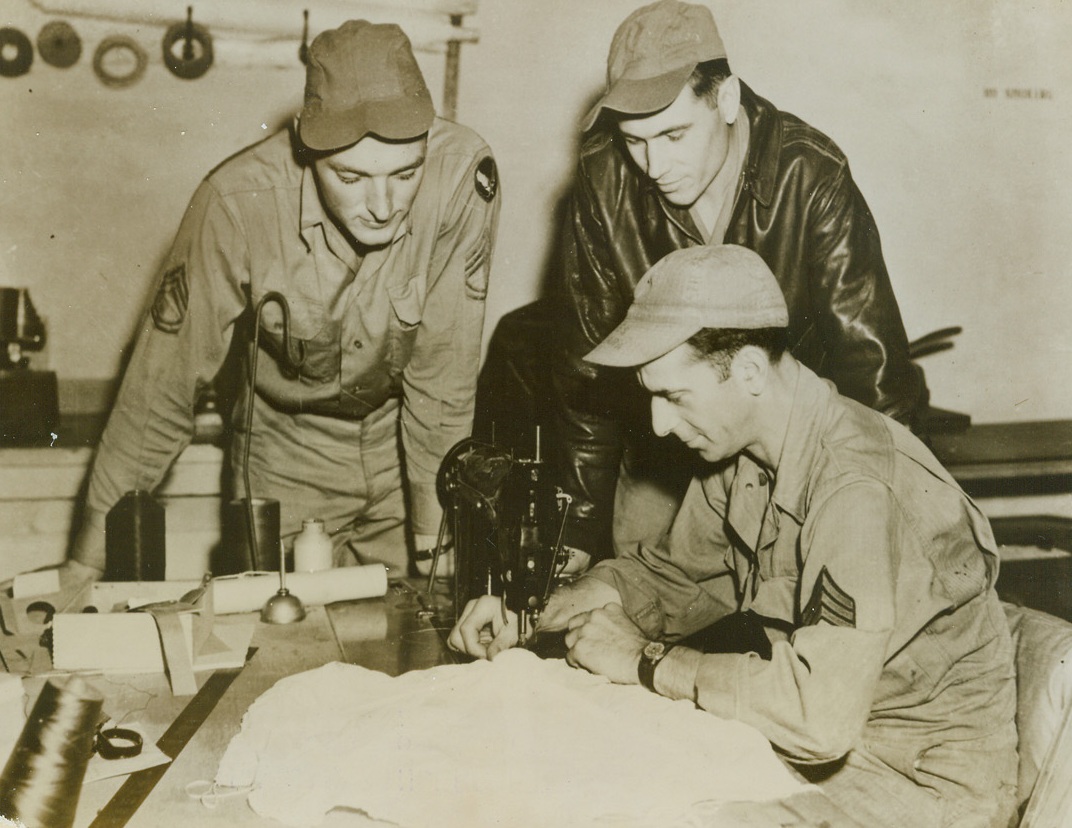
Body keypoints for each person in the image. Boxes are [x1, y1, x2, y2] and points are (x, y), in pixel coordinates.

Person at [453, 246, 1017, 828]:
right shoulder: (742, 454)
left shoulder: (854, 488)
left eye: (673, 396)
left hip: (919, 785)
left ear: (748, 370)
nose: (658, 424)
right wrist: (539, 608)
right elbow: (675, 576)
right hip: (830, 751)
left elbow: (817, 719)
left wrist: (645, 660)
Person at [66, 20, 500, 579]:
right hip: (285, 452)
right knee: (283, 641)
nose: (383, 204)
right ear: (306, 145)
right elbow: (160, 390)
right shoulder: (236, 202)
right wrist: (84, 565)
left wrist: (435, 546)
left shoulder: (463, 175)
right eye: (350, 176)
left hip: (405, 444)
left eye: (405, 172)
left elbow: (443, 376)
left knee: (423, 631)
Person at [549, 0, 928, 565]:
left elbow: (873, 371)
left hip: (788, 450)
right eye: (636, 141)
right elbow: (585, 368)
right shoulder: (604, 180)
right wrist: (575, 534)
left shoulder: (811, 175)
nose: (653, 165)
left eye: (675, 135)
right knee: (631, 599)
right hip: (666, 448)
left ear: (725, 99)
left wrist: (896, 517)